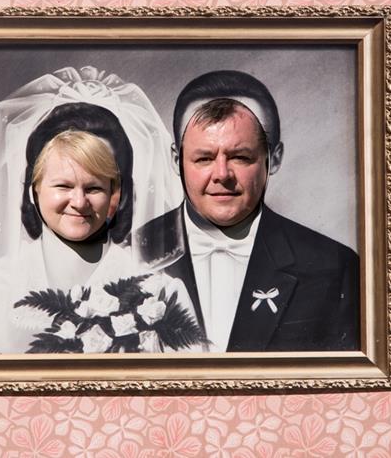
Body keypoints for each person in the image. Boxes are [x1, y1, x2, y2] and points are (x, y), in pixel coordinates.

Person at [0, 67, 189, 354]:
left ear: (119, 195)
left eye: (94, 188)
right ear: (33, 190)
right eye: (63, 186)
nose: (79, 202)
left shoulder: (161, 294)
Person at [136, 70, 360, 352]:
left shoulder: (335, 267)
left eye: (241, 157)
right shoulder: (128, 254)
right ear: (176, 160)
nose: (222, 174)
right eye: (204, 158)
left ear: (273, 159)